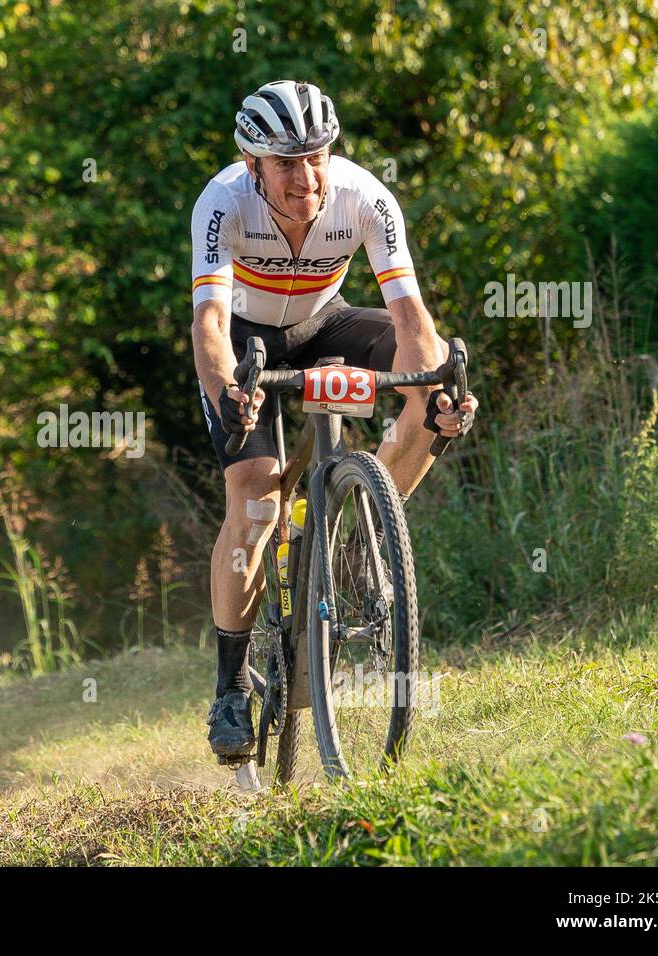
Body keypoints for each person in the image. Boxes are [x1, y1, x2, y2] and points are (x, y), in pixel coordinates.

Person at [190, 80, 478, 758]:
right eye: (286, 162)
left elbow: (408, 315)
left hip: (328, 320)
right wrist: (230, 389)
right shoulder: (221, 202)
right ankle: (230, 689)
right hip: (242, 339)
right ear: (252, 161)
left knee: (435, 389)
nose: (305, 175)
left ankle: (360, 534)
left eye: (316, 155)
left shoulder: (365, 197)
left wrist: (433, 389)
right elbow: (206, 321)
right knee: (256, 499)